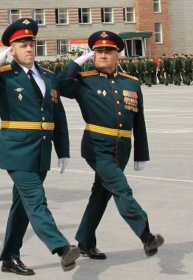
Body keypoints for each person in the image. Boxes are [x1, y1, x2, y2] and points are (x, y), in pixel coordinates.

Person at [0, 18, 79, 274]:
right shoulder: (4, 76)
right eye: (22, 45)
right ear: (12, 49)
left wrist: (62, 151)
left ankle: (9, 257)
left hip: (41, 150)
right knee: (36, 200)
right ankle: (61, 248)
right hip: (16, 150)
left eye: (31, 44)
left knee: (22, 207)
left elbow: (58, 116)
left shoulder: (48, 77)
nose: (29, 49)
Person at [58, 31, 164, 262]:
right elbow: (60, 85)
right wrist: (77, 62)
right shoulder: (84, 81)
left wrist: (141, 154)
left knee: (101, 195)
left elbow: (139, 120)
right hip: (97, 147)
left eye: (108, 51)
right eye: (98, 51)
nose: (103, 55)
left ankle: (85, 241)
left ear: (118, 55)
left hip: (122, 147)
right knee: (120, 187)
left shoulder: (131, 83)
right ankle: (146, 235)